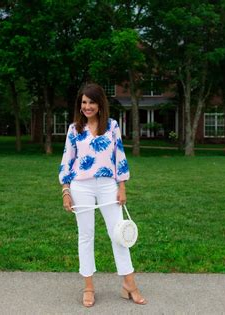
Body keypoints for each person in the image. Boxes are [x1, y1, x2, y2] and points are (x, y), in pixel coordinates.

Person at [59, 83, 147, 307]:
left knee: (119, 234)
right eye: (84, 102)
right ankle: (88, 287)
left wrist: (122, 187)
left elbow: (119, 156)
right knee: (86, 235)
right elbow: (67, 162)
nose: (87, 106)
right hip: (81, 187)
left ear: (100, 104)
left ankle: (129, 284)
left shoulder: (112, 126)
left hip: (108, 185)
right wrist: (66, 192)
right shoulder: (74, 130)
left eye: (92, 102)